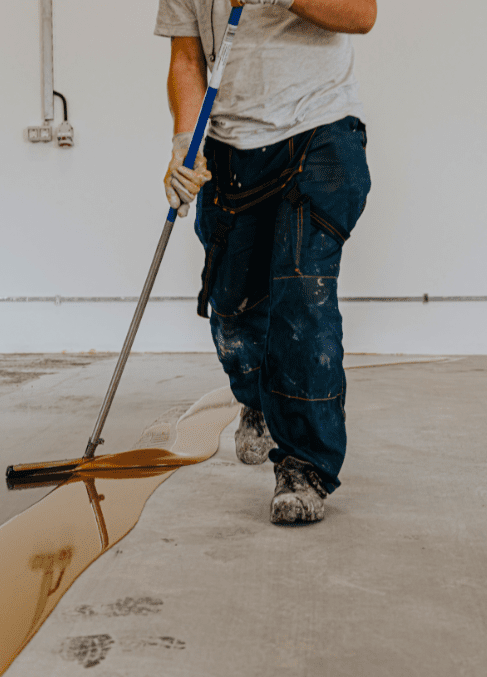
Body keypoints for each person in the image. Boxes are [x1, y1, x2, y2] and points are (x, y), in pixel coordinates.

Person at [156, 0, 376, 524]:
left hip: (317, 129)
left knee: (303, 294)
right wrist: (185, 144)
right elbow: (188, 59)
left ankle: (305, 464)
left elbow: (362, 14)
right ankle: (258, 398)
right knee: (232, 309)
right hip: (232, 146)